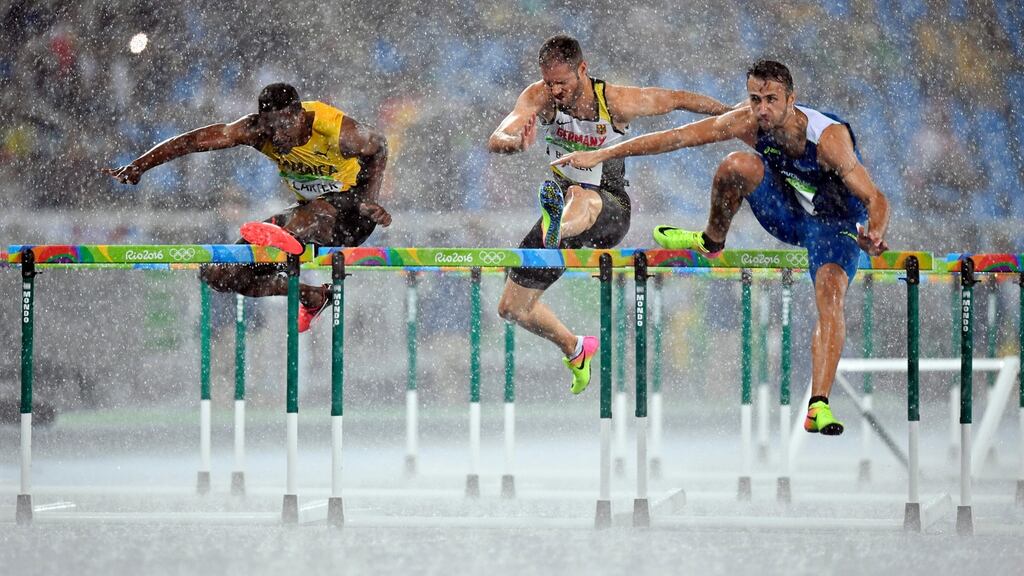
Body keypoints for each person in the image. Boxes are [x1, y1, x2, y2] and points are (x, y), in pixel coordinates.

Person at [553, 60, 890, 435]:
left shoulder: (829, 139)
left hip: (837, 227)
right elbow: (677, 137)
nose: (761, 109)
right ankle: (711, 240)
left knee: (830, 294)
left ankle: (818, 405)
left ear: (791, 100)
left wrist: (874, 234)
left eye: (771, 100)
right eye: (755, 99)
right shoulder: (747, 121)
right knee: (736, 165)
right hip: (791, 215)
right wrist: (601, 155)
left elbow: (877, 199)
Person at [488, 34, 731, 394]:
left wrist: (736, 116)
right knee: (511, 308)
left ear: (582, 70)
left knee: (580, 194)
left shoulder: (614, 100)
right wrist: (514, 144)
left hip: (610, 211)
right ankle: (575, 347)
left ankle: (557, 230)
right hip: (564, 208)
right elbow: (498, 136)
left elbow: (678, 100)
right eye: (549, 82)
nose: (555, 91)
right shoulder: (538, 96)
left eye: (563, 83)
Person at [104, 83, 391, 332]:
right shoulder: (257, 130)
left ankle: (285, 239)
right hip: (305, 215)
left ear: (299, 114)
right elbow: (192, 141)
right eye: (269, 128)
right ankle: (311, 295)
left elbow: (380, 147)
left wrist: (367, 201)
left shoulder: (334, 129)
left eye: (282, 127)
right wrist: (140, 165)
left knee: (316, 213)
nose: (276, 137)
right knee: (221, 275)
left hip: (350, 214)